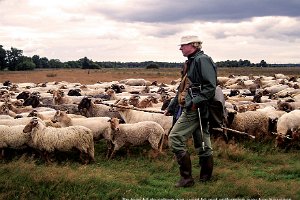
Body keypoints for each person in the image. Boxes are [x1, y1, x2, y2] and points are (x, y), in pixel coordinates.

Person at [164, 35, 217, 187]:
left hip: (196, 108)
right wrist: (172, 107)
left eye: (183, 45)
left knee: (174, 137)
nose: (180, 48)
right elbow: (183, 87)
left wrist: (194, 103)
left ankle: (186, 179)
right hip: (196, 106)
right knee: (202, 140)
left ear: (193, 45)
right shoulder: (191, 62)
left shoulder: (202, 60)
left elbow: (210, 86)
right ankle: (206, 177)